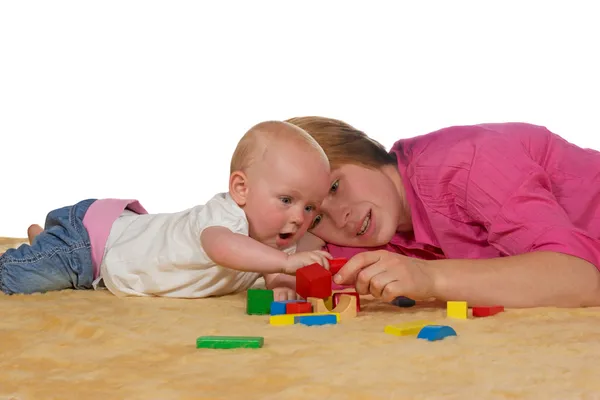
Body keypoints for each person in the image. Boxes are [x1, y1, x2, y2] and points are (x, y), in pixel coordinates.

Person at [288, 116, 600, 308]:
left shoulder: (468, 163)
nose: (339, 216)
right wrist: (282, 272)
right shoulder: (370, 229)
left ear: (363, 152)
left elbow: (580, 278)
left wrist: (429, 278)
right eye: (316, 218)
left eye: (335, 187)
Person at [0, 121, 332, 300]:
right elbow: (222, 248)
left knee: (52, 269)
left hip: (118, 247)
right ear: (241, 189)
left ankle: (45, 241)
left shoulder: (276, 242)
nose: (298, 217)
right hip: (93, 244)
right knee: (20, 277)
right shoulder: (225, 217)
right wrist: (287, 263)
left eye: (310, 208)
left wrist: (279, 283)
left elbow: (268, 267)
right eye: (287, 200)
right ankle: (51, 244)